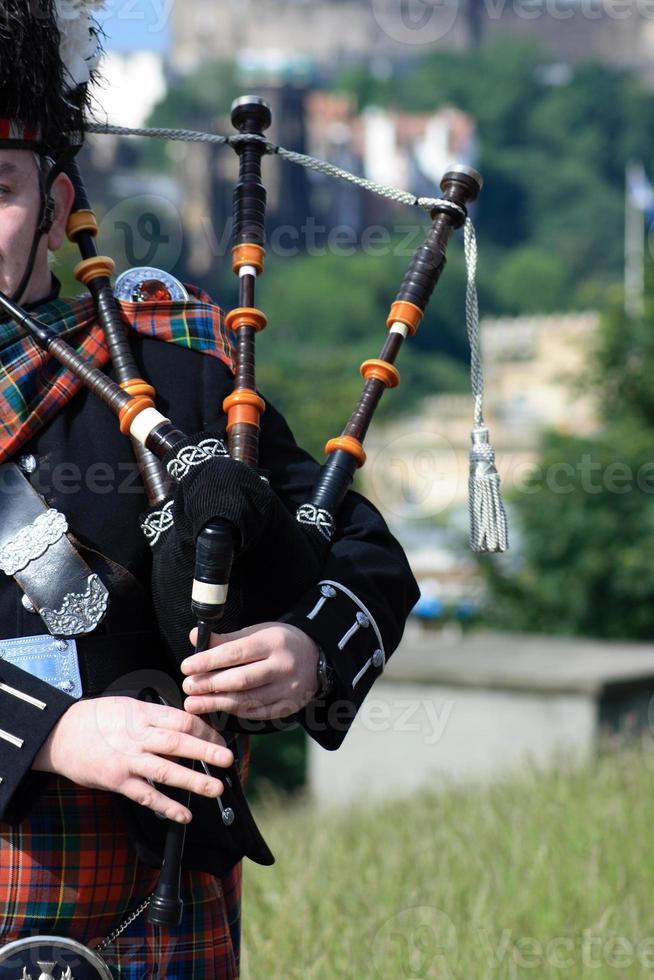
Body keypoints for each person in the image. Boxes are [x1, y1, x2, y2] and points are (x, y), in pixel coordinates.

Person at [0, 3, 418, 977]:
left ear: (58, 210)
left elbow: (359, 551)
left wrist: (306, 647)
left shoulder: (173, 377)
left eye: (0, 189)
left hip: (159, 904)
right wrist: (50, 732)